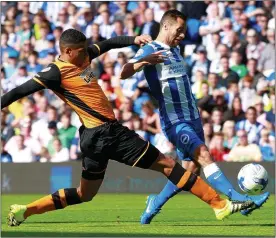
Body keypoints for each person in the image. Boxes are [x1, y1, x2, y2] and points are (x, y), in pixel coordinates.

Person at [1, 29, 252, 227]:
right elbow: (18, 91)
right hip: (107, 133)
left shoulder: (82, 56)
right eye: (80, 51)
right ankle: (219, 204)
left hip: (91, 137)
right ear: (67, 51)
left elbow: (109, 43)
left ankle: (26, 210)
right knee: (166, 165)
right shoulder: (54, 72)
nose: (86, 54)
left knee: (84, 194)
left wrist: (134, 39)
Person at [119, 9, 269, 224]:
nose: (181, 35)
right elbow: (124, 72)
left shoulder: (176, 49)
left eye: (184, 31)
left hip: (193, 118)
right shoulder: (151, 49)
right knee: (204, 154)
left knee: (189, 170)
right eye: (179, 30)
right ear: (166, 26)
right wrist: (144, 61)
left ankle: (155, 203)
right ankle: (239, 198)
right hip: (175, 121)